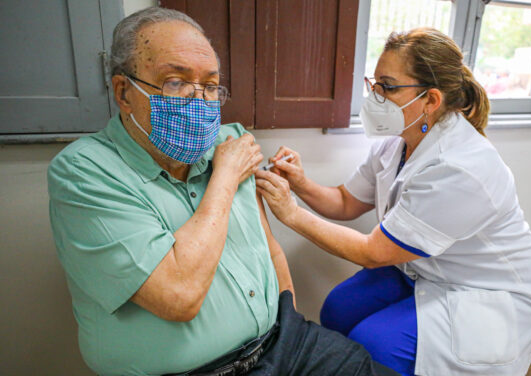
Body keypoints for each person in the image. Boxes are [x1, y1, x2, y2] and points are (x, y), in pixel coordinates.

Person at [48, 7, 398, 376]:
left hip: (282, 342)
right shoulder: (84, 173)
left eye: (211, 86)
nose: (199, 101)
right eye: (175, 82)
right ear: (123, 91)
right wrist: (225, 177)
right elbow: (179, 296)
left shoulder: (230, 140)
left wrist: (288, 324)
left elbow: (269, 249)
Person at [255, 28, 531, 376]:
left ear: (431, 100)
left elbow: (373, 252)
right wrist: (301, 184)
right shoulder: (398, 140)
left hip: (487, 291)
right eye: (374, 83)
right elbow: (346, 201)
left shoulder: (461, 167)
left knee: (375, 344)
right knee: (337, 309)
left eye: (388, 86)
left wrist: (290, 213)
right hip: (424, 269)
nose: (375, 96)